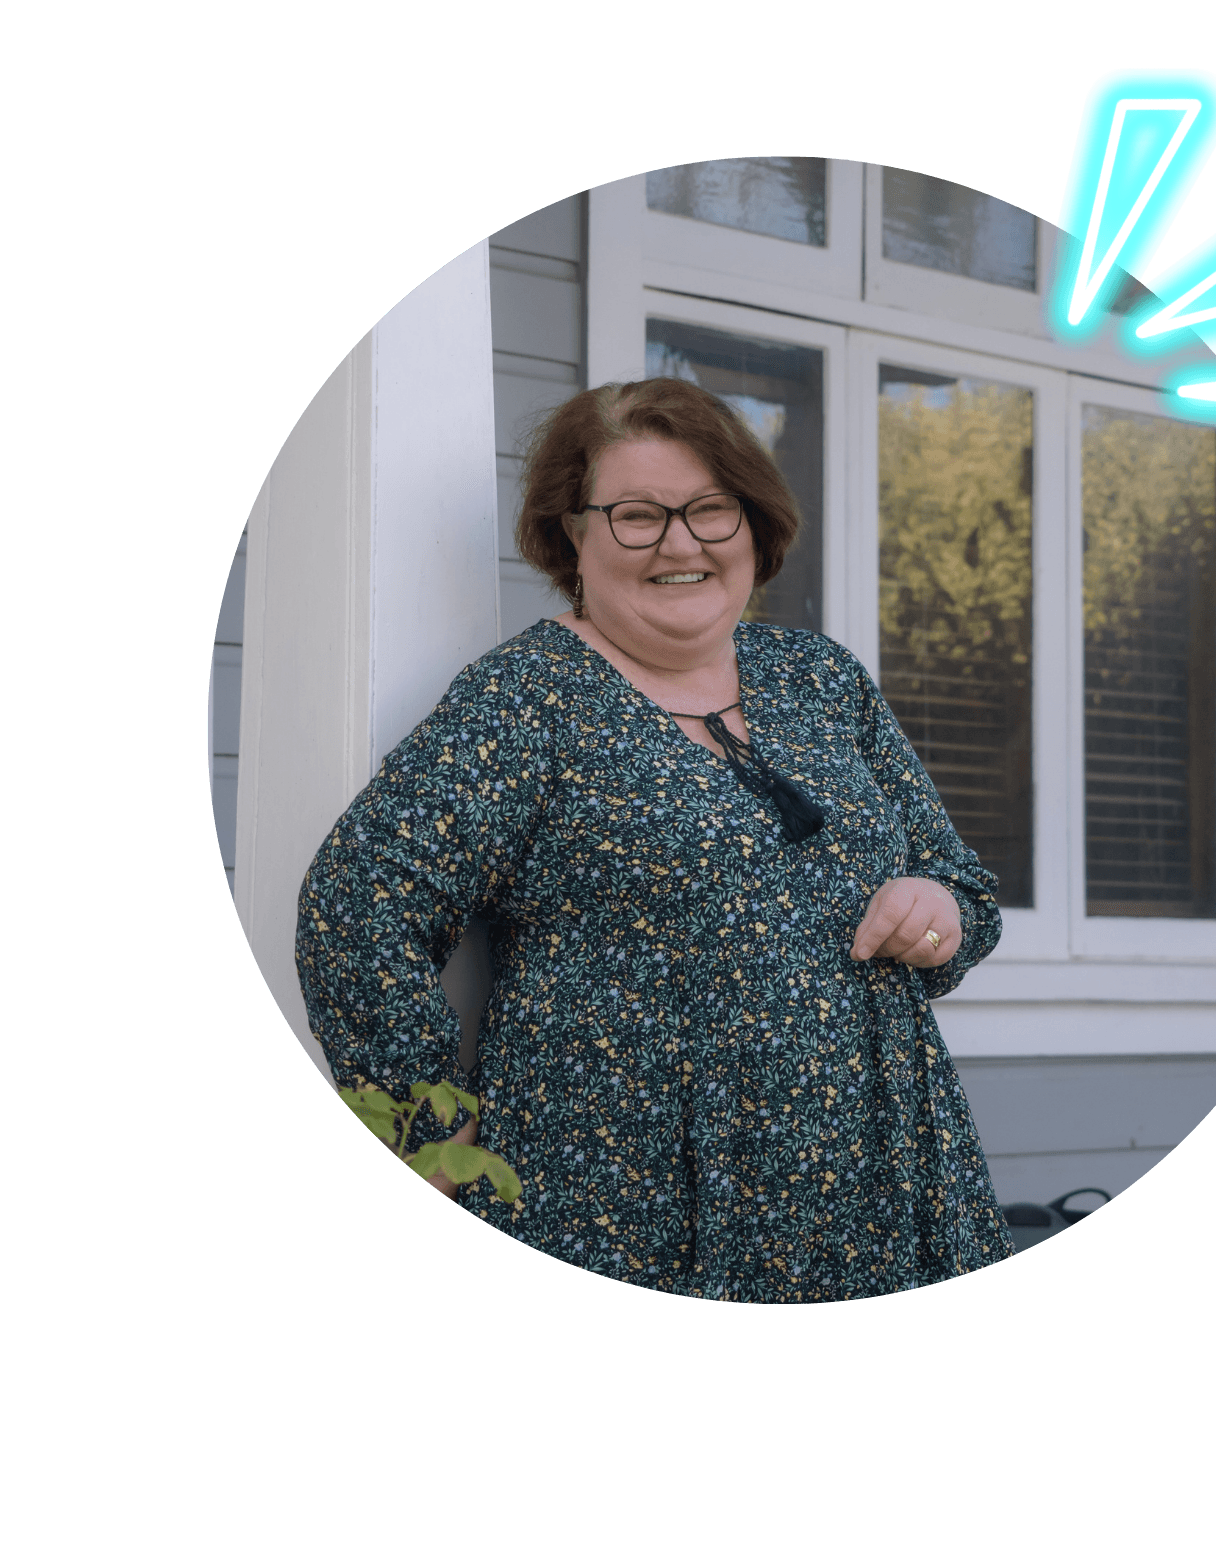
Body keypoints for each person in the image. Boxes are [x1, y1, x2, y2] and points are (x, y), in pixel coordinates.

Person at [296, 377, 1014, 1301]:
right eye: (637, 515)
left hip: (884, 1177)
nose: (681, 543)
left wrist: (937, 909)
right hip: (636, 1208)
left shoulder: (819, 678)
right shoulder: (528, 699)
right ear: (572, 534)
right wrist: (424, 1129)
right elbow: (356, 902)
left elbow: (960, 882)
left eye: (710, 509)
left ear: (752, 523)